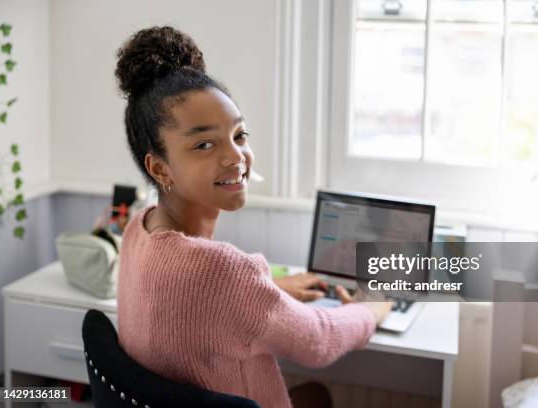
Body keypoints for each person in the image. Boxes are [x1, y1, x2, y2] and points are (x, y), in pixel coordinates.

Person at [115, 26, 392, 408]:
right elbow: (320, 342)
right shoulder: (223, 272)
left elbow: (194, 305)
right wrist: (372, 307)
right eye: (204, 144)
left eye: (240, 135)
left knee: (314, 396)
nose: (235, 157)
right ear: (160, 168)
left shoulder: (139, 227)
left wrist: (271, 292)